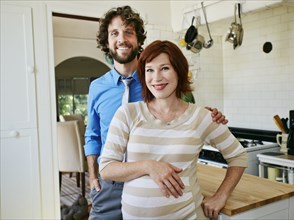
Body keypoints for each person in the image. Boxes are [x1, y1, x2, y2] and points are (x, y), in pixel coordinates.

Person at [84, 6, 228, 220]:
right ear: (106, 41)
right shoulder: (97, 87)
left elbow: (185, 110)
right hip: (111, 182)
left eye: (129, 32)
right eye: (114, 33)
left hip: (155, 183)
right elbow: (92, 134)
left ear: (138, 39)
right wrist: (94, 175)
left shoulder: (156, 81)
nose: (122, 39)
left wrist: (209, 115)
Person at [99, 40, 248, 219]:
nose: (157, 78)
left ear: (179, 70)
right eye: (149, 70)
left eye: (165, 68)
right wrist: (149, 166)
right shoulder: (128, 113)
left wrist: (221, 195)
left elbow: (238, 156)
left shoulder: (202, 117)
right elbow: (107, 169)